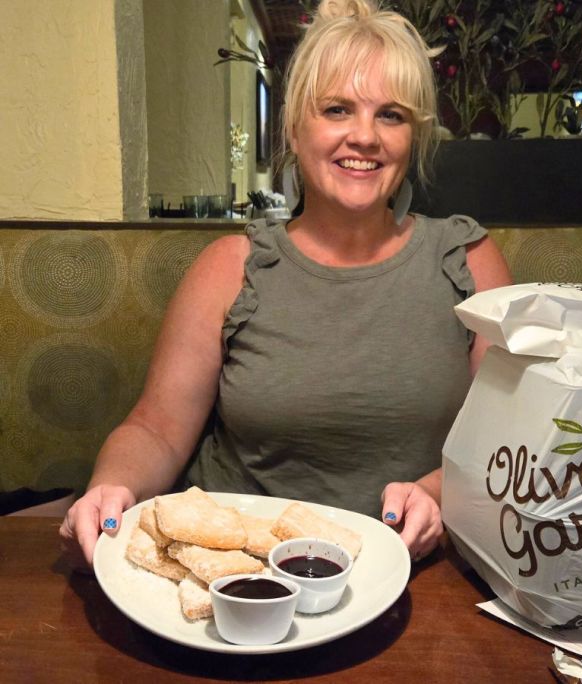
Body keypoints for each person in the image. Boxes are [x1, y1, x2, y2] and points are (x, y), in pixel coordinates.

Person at [59, 0, 512, 570]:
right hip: (238, 570)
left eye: (391, 115)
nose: (365, 136)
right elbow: (157, 428)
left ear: (413, 137)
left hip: (412, 574)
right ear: (295, 130)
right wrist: (111, 489)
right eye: (337, 109)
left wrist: (440, 494)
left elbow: (503, 443)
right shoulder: (230, 267)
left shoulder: (469, 261)